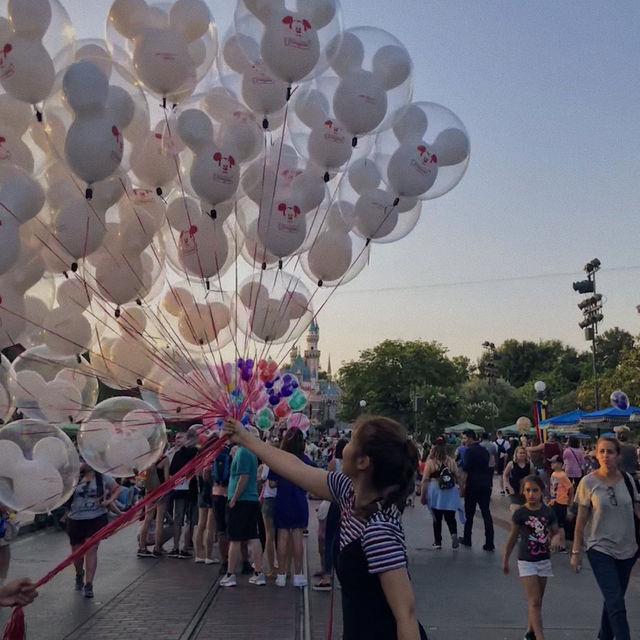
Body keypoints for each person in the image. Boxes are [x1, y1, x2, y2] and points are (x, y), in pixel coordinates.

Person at [224, 415, 429, 640]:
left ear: (363, 462)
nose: (343, 446)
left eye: (351, 441)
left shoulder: (378, 531)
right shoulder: (347, 492)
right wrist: (245, 438)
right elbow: (294, 467)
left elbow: (405, 615)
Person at [571, 436, 640, 640]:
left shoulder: (628, 480)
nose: (605, 455)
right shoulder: (588, 482)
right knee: (616, 604)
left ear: (618, 455)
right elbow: (581, 521)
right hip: (600, 549)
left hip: (628, 550)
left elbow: (637, 510)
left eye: (610, 451)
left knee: (613, 600)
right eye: (601, 451)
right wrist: (576, 552)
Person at [503, 475, 562, 640]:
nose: (531, 494)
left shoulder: (548, 512)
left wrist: (556, 538)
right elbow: (513, 537)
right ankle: (539, 636)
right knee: (534, 601)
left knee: (537, 602)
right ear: (523, 491)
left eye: (535, 490)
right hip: (526, 561)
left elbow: (556, 531)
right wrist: (506, 559)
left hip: (543, 560)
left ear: (541, 492)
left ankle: (530, 632)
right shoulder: (520, 513)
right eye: (528, 490)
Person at [66, 465, 120, 598]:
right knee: (77, 553)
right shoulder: (75, 477)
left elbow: (117, 489)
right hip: (75, 519)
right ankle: (79, 574)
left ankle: (89, 584)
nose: (86, 462)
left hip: (95, 518)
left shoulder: (103, 477)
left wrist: (109, 501)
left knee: (92, 549)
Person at [269, 427, 313, 587]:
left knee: (282, 537)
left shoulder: (279, 459)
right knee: (297, 537)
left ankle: (281, 575)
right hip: (299, 501)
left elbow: (272, 483)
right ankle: (299, 575)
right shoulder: (305, 459)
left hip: (283, 500)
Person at [220, 443, 265, 587]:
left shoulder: (243, 452)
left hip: (241, 501)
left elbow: (243, 478)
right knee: (253, 536)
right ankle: (258, 573)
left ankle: (230, 574)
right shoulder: (250, 451)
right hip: (250, 500)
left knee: (235, 538)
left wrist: (234, 499)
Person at [314, 437, 347, 591]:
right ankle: (342, 576)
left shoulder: (335, 463)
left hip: (335, 503)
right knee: (344, 539)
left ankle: (327, 575)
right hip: (348, 504)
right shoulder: (351, 465)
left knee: (330, 539)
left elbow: (329, 484)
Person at [420, 437, 460, 550]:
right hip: (450, 491)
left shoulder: (431, 462)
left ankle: (438, 542)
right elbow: (457, 476)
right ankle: (453, 534)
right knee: (450, 516)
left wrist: (423, 495)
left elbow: (425, 480)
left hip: (435, 489)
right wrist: (461, 489)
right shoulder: (451, 461)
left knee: (436, 517)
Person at [460, 429, 494, 551]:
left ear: (470, 438)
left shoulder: (469, 452)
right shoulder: (485, 451)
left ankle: (467, 538)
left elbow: (466, 470)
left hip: (472, 485)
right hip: (485, 484)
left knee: (469, 514)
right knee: (486, 513)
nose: (463, 441)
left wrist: (462, 487)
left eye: (464, 438)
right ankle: (490, 542)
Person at [168, 428, 199, 559]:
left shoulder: (178, 453)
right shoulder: (197, 453)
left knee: (178, 519)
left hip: (179, 490)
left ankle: (175, 546)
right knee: (190, 520)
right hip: (191, 489)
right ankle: (185, 548)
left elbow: (171, 472)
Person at [194, 462, 218, 564]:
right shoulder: (212, 460)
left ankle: (199, 554)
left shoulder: (200, 459)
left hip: (201, 493)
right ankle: (208, 556)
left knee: (201, 523)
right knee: (210, 526)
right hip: (211, 493)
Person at [548, 455, 573, 551]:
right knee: (553, 523)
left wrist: (569, 501)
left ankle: (562, 545)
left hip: (561, 502)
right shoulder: (554, 474)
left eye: (553, 462)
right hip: (554, 501)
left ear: (559, 464)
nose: (551, 464)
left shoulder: (563, 475)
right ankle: (554, 542)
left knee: (560, 524)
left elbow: (570, 488)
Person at [259, 459, 277, 577]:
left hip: (269, 500)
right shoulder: (285, 462)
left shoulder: (268, 464)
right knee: (282, 535)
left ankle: (272, 569)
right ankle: (283, 566)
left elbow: (269, 482)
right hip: (281, 500)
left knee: (269, 536)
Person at [503, 446, 535, 512]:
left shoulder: (530, 464)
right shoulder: (511, 464)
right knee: (515, 510)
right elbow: (505, 475)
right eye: (520, 453)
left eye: (524, 453)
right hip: (514, 489)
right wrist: (507, 486)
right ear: (516, 454)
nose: (522, 454)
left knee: (526, 509)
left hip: (526, 490)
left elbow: (533, 477)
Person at [0, 502, 19, 585]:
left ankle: (1, 584)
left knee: (4, 565)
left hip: (4, 541)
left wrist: (8, 514)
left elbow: (14, 518)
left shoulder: (6, 498)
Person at [495, 430, 510, 495]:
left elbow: (494, 453)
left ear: (497, 435)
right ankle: (507, 487)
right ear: (502, 435)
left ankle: (502, 490)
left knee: (500, 475)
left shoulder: (494, 443)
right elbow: (508, 451)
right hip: (505, 460)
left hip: (498, 460)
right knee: (507, 474)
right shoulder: (506, 442)